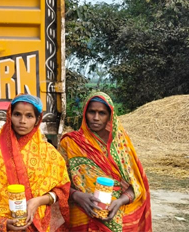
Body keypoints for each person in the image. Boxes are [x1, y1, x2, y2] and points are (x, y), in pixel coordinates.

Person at [59, 92, 152, 232]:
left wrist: (120, 201)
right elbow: (58, 181)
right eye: (92, 112)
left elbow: (137, 185)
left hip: (116, 215)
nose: (96, 118)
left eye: (102, 113)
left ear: (110, 116)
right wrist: (77, 195)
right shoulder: (70, 143)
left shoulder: (121, 145)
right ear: (85, 113)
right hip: (81, 213)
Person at [0, 94, 70, 232]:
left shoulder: (48, 152)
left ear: (37, 120)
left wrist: (38, 201)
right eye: (17, 114)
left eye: (29, 116)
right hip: (5, 223)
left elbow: (62, 190)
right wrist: (3, 223)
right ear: (10, 115)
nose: (22, 121)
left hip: (37, 222)